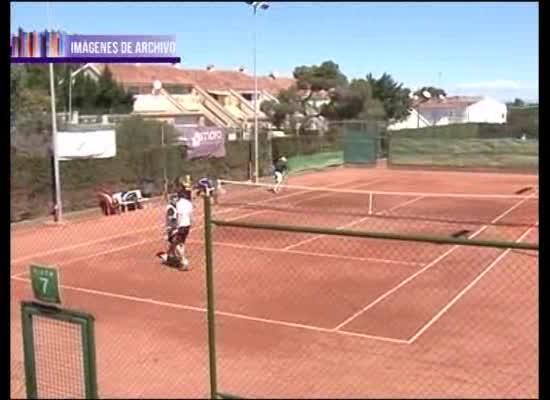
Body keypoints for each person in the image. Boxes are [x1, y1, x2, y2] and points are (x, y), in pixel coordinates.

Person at [156, 186, 194, 270]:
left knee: (176, 243)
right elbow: (191, 215)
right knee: (180, 243)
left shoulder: (174, 206)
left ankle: (183, 261)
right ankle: (171, 257)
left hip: (178, 227)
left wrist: (173, 229)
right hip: (187, 226)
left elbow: (174, 218)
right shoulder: (188, 203)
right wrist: (191, 223)